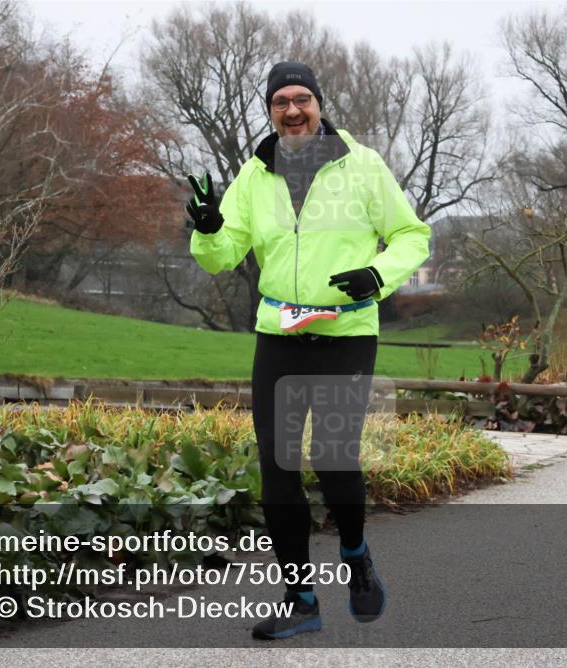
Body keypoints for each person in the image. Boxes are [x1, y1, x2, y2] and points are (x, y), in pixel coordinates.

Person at [186, 61, 430, 640]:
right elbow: (222, 255)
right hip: (279, 335)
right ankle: (300, 600)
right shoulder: (254, 175)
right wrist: (208, 228)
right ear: (271, 111)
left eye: (302, 99)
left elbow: (412, 235)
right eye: (281, 102)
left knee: (333, 457)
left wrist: (377, 276)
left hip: (346, 333)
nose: (292, 110)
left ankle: (356, 555)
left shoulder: (361, 165)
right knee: (277, 467)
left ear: (319, 104)